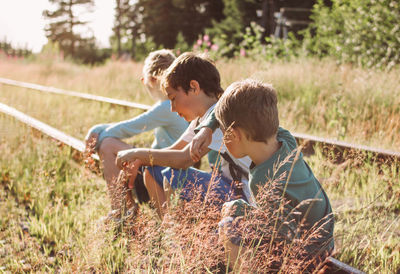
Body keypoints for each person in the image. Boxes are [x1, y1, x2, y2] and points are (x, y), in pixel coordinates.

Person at [206, 79, 334, 271]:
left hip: (307, 255)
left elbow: (282, 233)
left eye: (224, 133)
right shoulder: (285, 139)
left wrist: (242, 210)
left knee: (228, 225)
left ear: (235, 133)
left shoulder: (263, 180)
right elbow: (248, 103)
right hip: (326, 241)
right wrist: (210, 125)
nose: (223, 141)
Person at [115, 52, 252, 217]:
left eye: (173, 98)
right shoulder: (200, 120)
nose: (172, 108)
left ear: (194, 87)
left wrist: (135, 153)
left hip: (241, 196)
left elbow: (183, 159)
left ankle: (176, 234)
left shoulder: (219, 118)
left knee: (173, 174)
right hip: (223, 187)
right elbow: (171, 151)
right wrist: (138, 161)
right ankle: (168, 231)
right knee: (152, 169)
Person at [85, 49, 188, 214]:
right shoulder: (178, 101)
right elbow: (131, 125)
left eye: (144, 81)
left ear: (152, 80)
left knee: (108, 144)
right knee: (117, 145)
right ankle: (127, 209)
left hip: (164, 174)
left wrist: (98, 134)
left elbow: (128, 128)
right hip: (172, 169)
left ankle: (120, 212)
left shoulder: (166, 106)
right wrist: (98, 129)